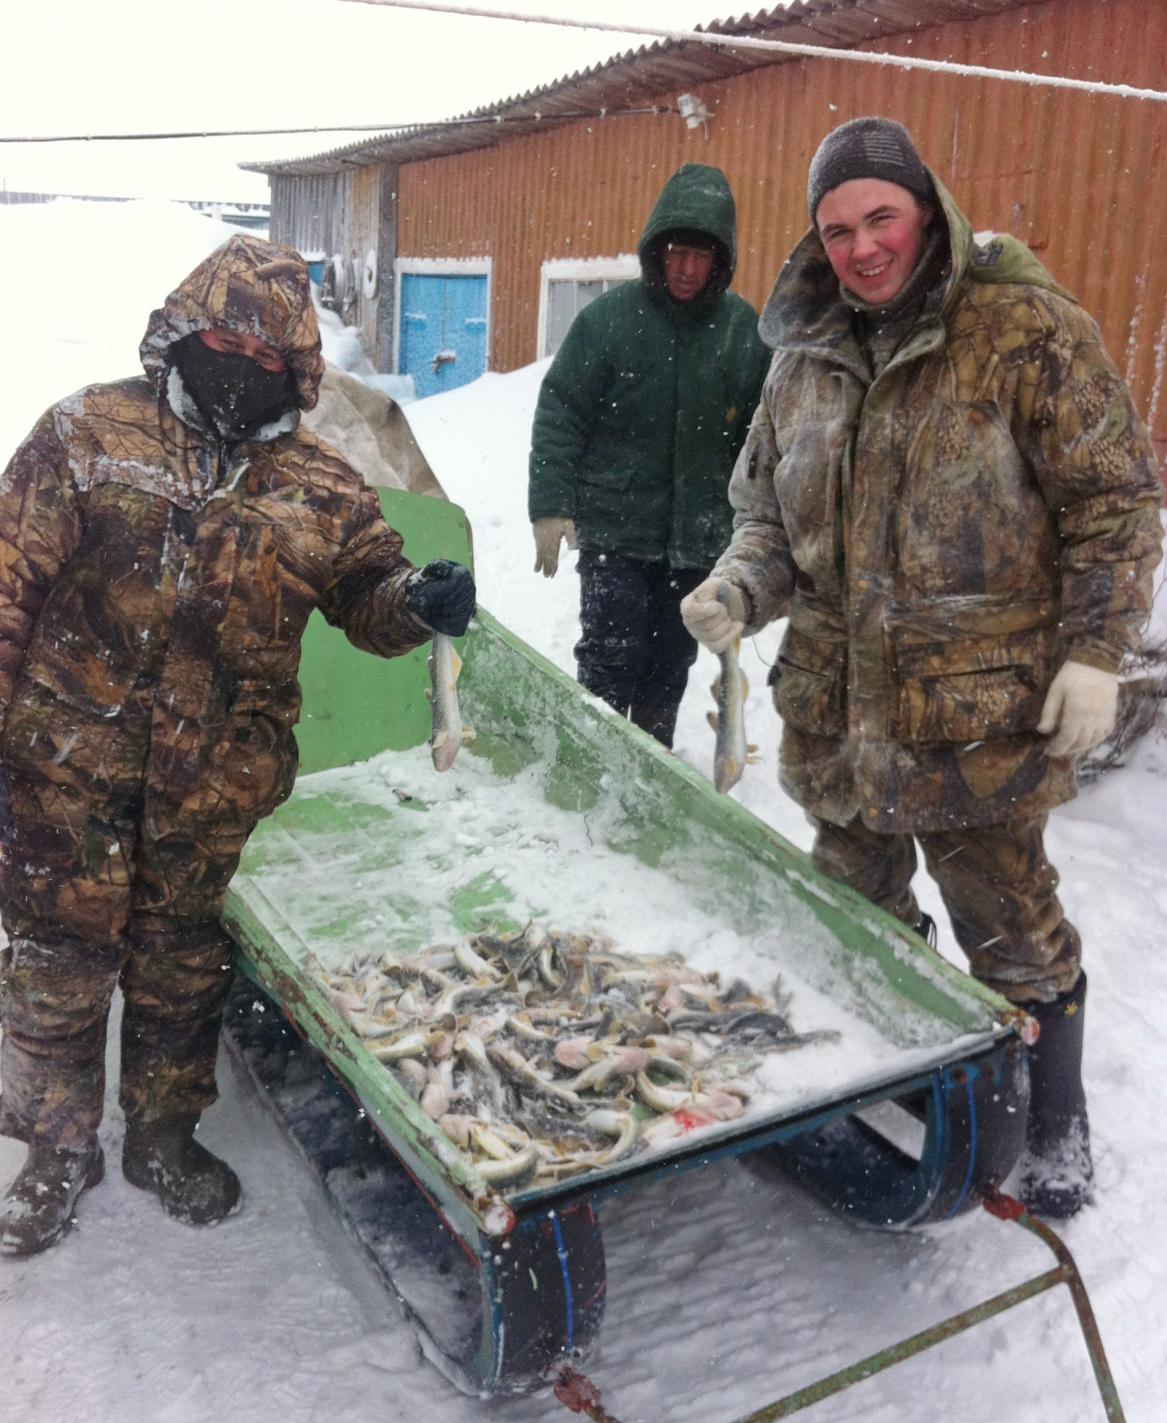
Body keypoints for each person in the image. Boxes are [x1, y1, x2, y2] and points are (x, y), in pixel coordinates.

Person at [682, 118, 1163, 1217]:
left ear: (925, 209)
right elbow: (768, 513)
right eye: (837, 227)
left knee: (1010, 924)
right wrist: (737, 589)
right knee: (859, 913)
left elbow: (1113, 504)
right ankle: (921, 1079)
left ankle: (1051, 1125)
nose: (860, 246)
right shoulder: (801, 355)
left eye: (879, 217)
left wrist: (1094, 654)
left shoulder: (1019, 329)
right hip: (838, 713)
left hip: (976, 721)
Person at [0, 234, 475, 1256]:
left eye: (261, 353)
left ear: (296, 370)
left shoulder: (321, 483)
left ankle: (161, 1135)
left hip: (209, 785)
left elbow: (367, 598)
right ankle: (54, 1147)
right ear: (177, 334)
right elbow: (6, 588)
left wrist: (419, 603)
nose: (233, 360)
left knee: (181, 968)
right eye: (215, 337)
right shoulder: (84, 434)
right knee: (56, 964)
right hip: (63, 777)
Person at [528, 163, 769, 749]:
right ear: (657, 251)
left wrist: (757, 528)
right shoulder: (609, 324)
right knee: (610, 655)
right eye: (677, 252)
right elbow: (562, 413)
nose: (687, 269)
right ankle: (595, 759)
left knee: (669, 663)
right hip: (616, 533)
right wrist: (550, 506)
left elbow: (765, 438)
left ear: (721, 261)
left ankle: (650, 761)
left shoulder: (741, 331)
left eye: (701, 256)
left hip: (697, 538)